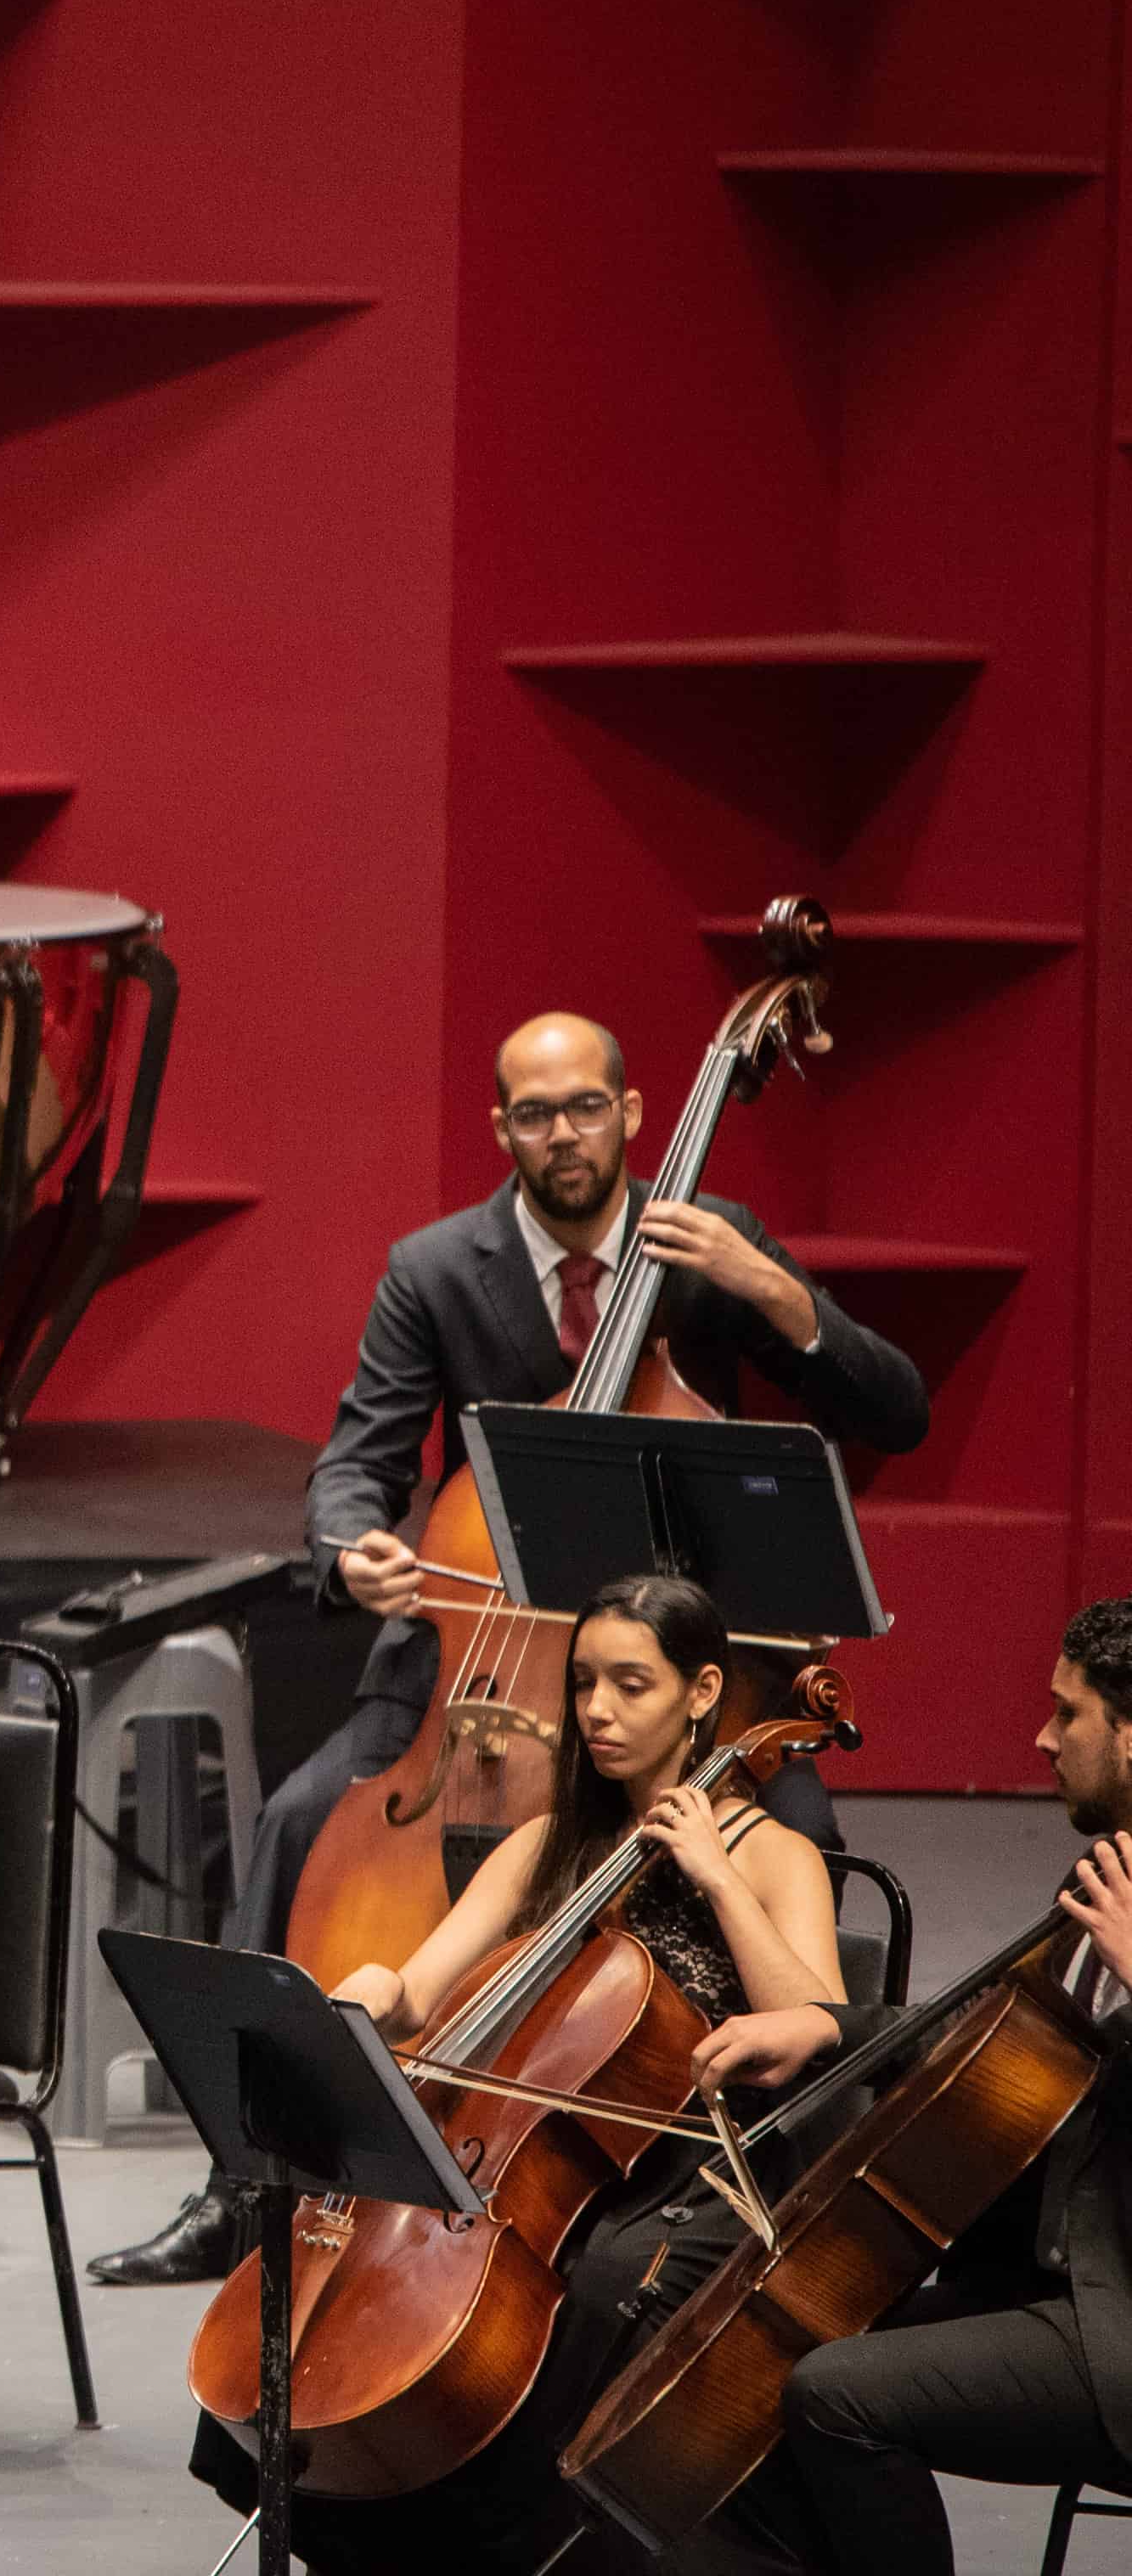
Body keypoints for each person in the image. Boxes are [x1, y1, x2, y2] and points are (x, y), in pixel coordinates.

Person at [92, 1008, 935, 2286]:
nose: (563, 1134)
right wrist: (352, 1547)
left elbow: (900, 1410)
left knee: (798, 1835)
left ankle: (766, 2173)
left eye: (585, 1106)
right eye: (534, 1114)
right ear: (501, 1128)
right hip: (482, 1669)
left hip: (680, 1678)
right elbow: (357, 1462)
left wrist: (778, 1296)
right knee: (304, 1818)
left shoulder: (715, 1251)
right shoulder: (437, 1268)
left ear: (634, 1112)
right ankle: (249, 2176)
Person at [190, 1572, 842, 2570]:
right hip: (526, 2138)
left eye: (632, 1683)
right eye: (583, 1682)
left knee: (587, 2288)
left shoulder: (771, 1850)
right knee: (285, 2209)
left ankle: (524, 2546)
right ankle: (344, 2518)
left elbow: (821, 2018)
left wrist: (713, 1873)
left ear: (703, 1690)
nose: (597, 1710)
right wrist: (373, 1987)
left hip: (676, 2154)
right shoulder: (549, 1841)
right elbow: (420, 1984)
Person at [686, 1599, 1132, 2576]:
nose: (1040, 1736)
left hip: (1118, 2320)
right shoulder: (1107, 1873)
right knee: (761, 2362)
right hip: (1047, 2272)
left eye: (1068, 1713)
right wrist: (825, 2023)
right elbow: (987, 2038)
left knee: (836, 2396)